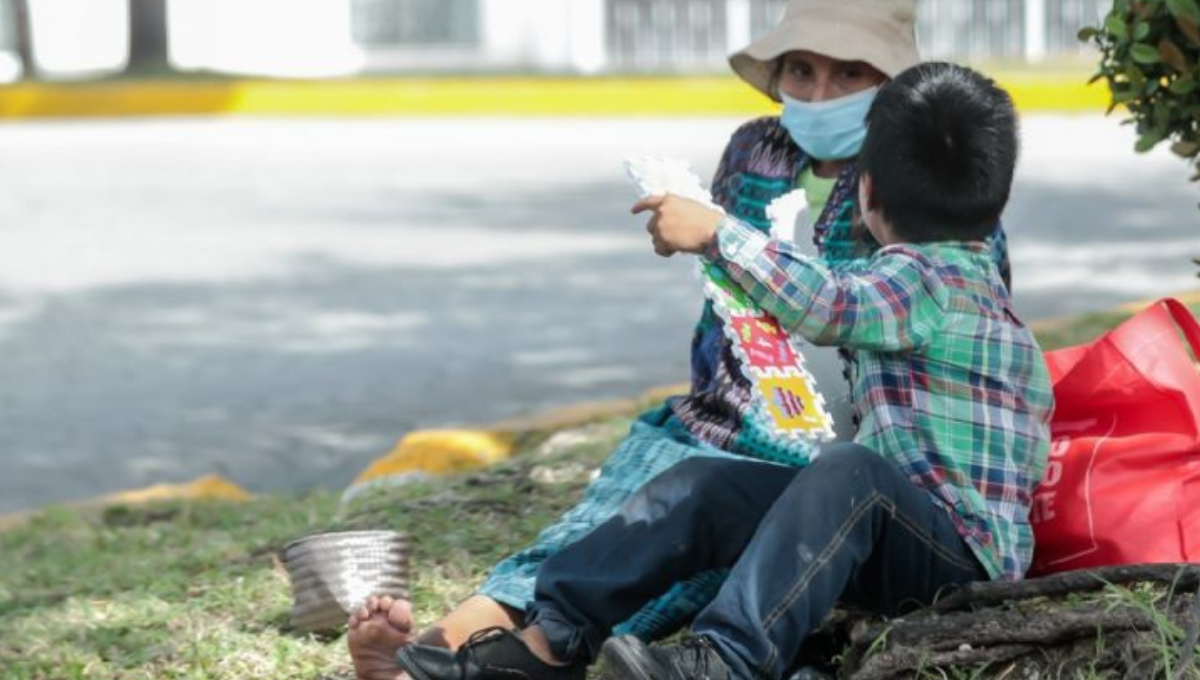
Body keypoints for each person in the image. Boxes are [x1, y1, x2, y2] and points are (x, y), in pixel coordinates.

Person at [346, 1, 1013, 678]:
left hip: (872, 485)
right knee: (638, 521)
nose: (818, 95)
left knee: (738, 546)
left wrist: (720, 236)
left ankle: (720, 661)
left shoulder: (942, 228)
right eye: (801, 71)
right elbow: (737, 320)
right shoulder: (760, 152)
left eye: (848, 74)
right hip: (739, 427)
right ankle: (472, 656)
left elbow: (842, 308)